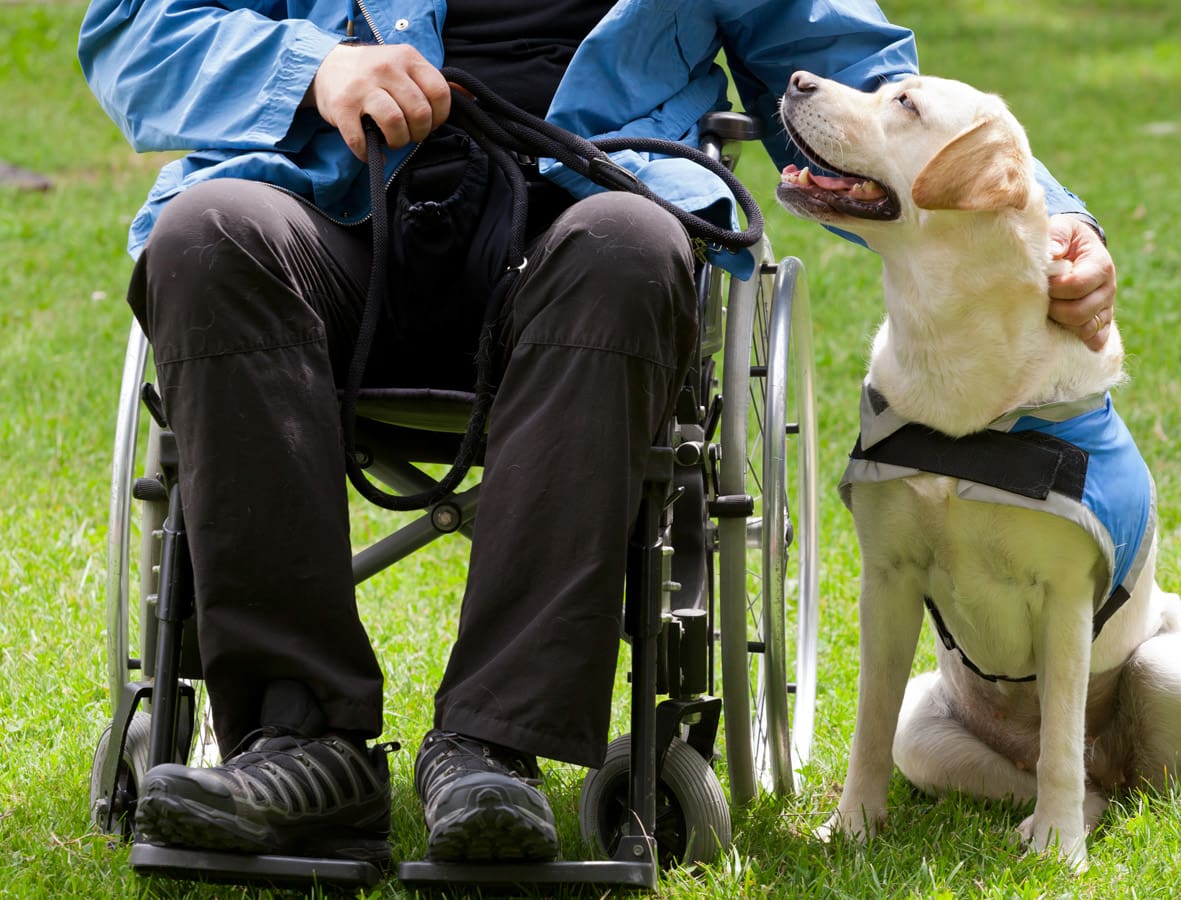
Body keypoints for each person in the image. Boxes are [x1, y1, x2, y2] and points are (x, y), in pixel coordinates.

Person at [78, 0, 1118, 867]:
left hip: (584, 227)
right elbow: (133, 29)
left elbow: (854, 73)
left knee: (631, 242)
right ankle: (298, 744)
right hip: (335, 214)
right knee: (206, 236)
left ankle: (492, 750)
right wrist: (314, 68)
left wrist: (1052, 228)